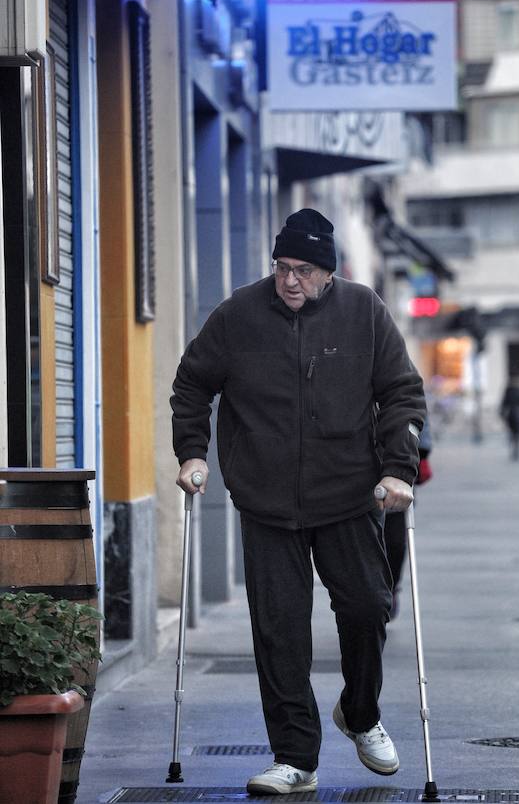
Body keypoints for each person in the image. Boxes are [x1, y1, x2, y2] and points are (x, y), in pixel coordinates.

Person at [171, 208, 426, 795]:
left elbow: (402, 393)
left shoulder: (363, 310)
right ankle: (296, 758)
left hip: (347, 495)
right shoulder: (238, 314)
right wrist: (192, 453)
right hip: (266, 501)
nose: (290, 281)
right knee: (280, 630)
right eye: (282, 268)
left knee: (366, 609)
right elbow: (192, 384)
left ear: (329, 273)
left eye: (304, 270)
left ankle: (360, 714)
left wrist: (398, 470)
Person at [383, 418, 433, 619]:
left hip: (396, 463)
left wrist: (421, 450)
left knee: (395, 540)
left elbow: (417, 413)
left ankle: (391, 587)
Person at [499, 375, 519, 461]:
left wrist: (502, 413)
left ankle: (515, 448)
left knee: (513, 433)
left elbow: (504, 403)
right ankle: (517, 449)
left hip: (512, 414)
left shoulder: (509, 390)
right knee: (518, 433)